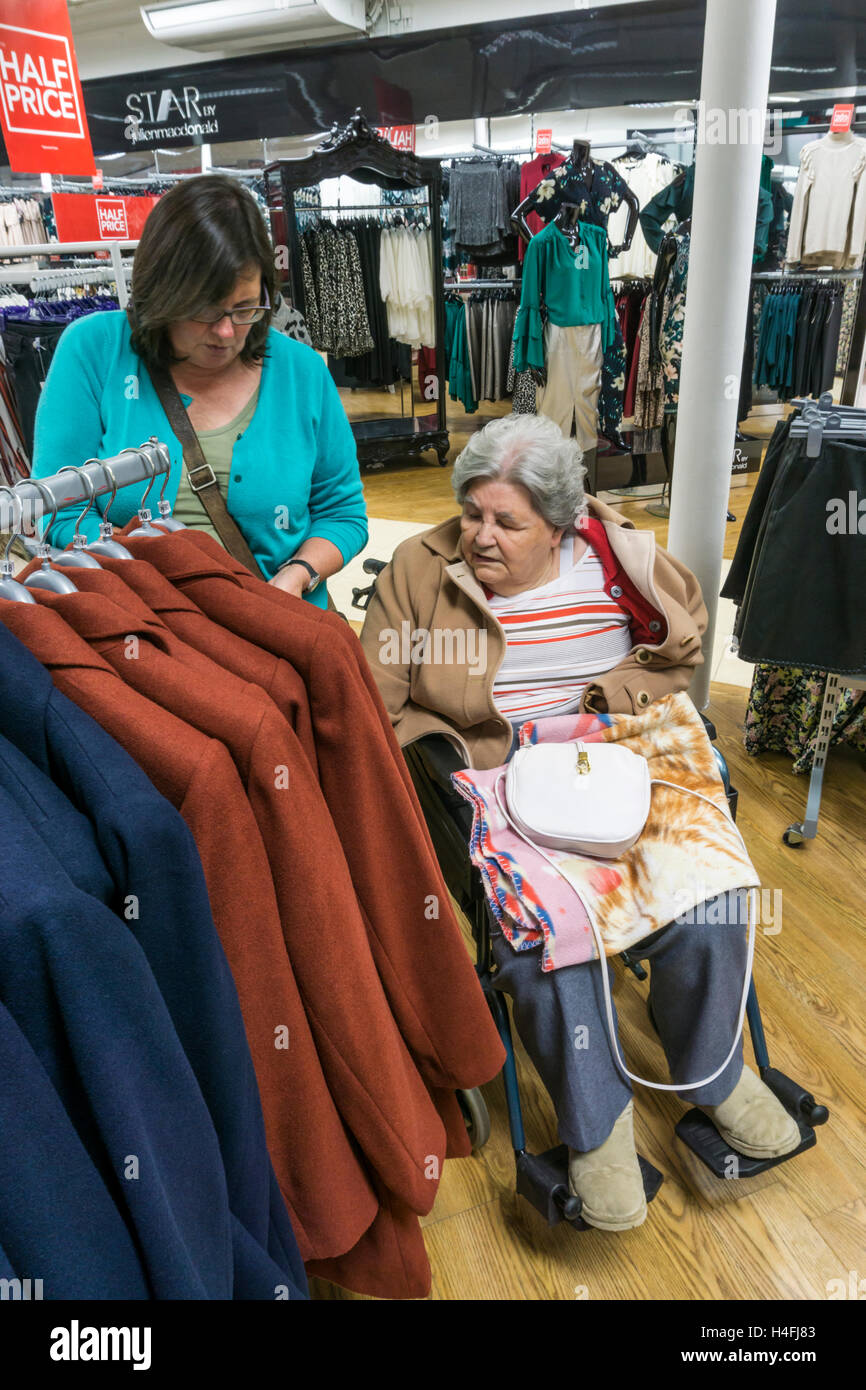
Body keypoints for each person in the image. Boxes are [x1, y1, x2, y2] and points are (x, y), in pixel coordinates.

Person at [360, 412, 800, 1232]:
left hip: (615, 750)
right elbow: (372, 702)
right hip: (497, 768)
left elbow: (682, 639)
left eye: (507, 522)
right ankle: (598, 1129)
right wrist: (432, 761)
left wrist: (616, 702)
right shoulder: (422, 570)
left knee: (709, 894)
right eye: (473, 513)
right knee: (544, 940)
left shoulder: (618, 556)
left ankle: (714, 1070)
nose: (480, 536)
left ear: (562, 524)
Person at [31, 174, 367, 608]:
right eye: (204, 311)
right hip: (146, 632)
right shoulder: (94, 350)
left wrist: (297, 574)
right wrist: (142, 573)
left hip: (280, 632)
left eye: (245, 307)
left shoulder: (301, 371)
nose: (226, 332)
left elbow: (341, 512)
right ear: (162, 294)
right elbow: (56, 506)